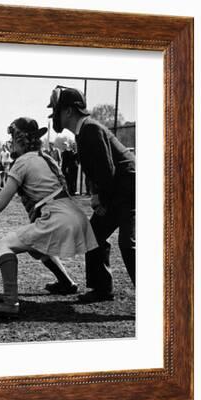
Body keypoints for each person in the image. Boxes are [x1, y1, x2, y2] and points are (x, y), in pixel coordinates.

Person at [0, 117, 97, 317]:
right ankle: (66, 283)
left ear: (20, 140)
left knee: (6, 244)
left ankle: (10, 304)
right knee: (35, 245)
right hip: (74, 214)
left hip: (57, 216)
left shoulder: (21, 162)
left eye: (12, 136)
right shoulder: (45, 157)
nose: (10, 141)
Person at [47, 85, 136, 302]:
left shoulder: (91, 129)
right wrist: (98, 195)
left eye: (57, 111)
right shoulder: (83, 131)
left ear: (69, 111)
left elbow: (107, 170)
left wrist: (101, 199)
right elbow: (98, 171)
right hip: (117, 188)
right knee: (93, 235)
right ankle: (102, 289)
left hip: (129, 189)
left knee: (128, 243)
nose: (54, 116)